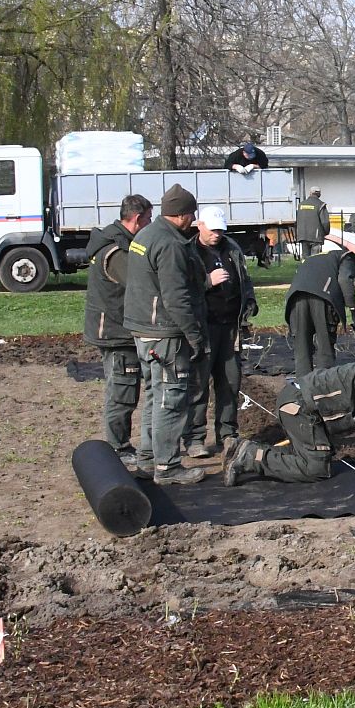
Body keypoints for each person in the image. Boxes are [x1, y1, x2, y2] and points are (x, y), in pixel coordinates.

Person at [223, 351, 355, 486]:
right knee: (316, 469)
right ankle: (250, 456)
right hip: (298, 407)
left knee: (311, 454)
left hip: (299, 401)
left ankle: (243, 450)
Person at [123, 183, 208, 485]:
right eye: (192, 214)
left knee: (153, 394)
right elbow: (176, 297)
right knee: (171, 398)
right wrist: (195, 335)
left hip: (142, 329)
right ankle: (168, 467)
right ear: (184, 215)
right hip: (165, 334)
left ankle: (148, 457)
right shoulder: (170, 245)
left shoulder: (144, 236)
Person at [82, 193, 154, 466]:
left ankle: (120, 445)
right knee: (122, 391)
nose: (150, 224)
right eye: (148, 219)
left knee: (124, 388)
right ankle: (118, 447)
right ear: (136, 219)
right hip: (115, 333)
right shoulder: (116, 252)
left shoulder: (116, 242)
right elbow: (140, 284)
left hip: (115, 329)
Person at [185, 206, 257, 460]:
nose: (217, 234)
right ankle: (195, 438)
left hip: (230, 327)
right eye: (213, 229)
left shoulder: (232, 249)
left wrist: (249, 300)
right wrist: (208, 281)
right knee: (199, 383)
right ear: (199, 226)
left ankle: (227, 433)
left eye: (220, 230)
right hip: (203, 327)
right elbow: (181, 288)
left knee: (229, 381)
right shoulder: (190, 251)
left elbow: (244, 279)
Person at [285, 233, 355, 375]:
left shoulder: (313, 258)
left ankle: (303, 389)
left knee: (302, 349)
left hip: (295, 300)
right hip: (322, 299)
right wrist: (354, 311)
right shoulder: (346, 257)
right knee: (325, 348)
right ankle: (323, 387)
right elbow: (345, 281)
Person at [293, 188, 329, 260]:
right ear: (319, 194)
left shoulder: (301, 205)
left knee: (305, 259)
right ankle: (314, 271)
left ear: (310, 193)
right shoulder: (321, 205)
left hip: (303, 236)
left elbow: (296, 220)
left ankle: (305, 270)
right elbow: (325, 222)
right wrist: (326, 232)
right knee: (315, 259)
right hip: (316, 237)